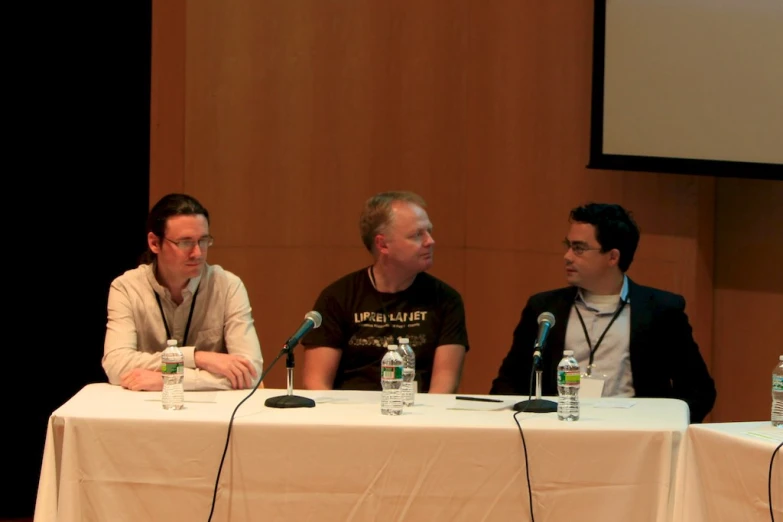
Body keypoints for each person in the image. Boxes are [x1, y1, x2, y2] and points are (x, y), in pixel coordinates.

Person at [489, 203, 716, 423]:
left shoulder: (661, 311)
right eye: (567, 245)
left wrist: (665, 429)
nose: (567, 256)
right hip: (558, 433)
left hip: (635, 437)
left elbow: (699, 390)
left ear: (613, 257)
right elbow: (509, 381)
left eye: (578, 248)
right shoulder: (545, 309)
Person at [301, 191, 469, 393]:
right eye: (417, 234)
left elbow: (444, 387)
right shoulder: (338, 297)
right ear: (382, 244)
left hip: (418, 415)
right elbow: (316, 383)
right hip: (350, 416)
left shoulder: (446, 300)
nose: (430, 241)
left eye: (429, 231)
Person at [102, 193, 264, 391]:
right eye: (185, 242)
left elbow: (250, 371)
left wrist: (169, 380)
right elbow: (116, 365)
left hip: (212, 412)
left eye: (203, 241)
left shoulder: (228, 286)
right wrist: (198, 358)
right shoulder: (126, 288)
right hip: (144, 410)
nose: (197, 253)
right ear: (154, 243)